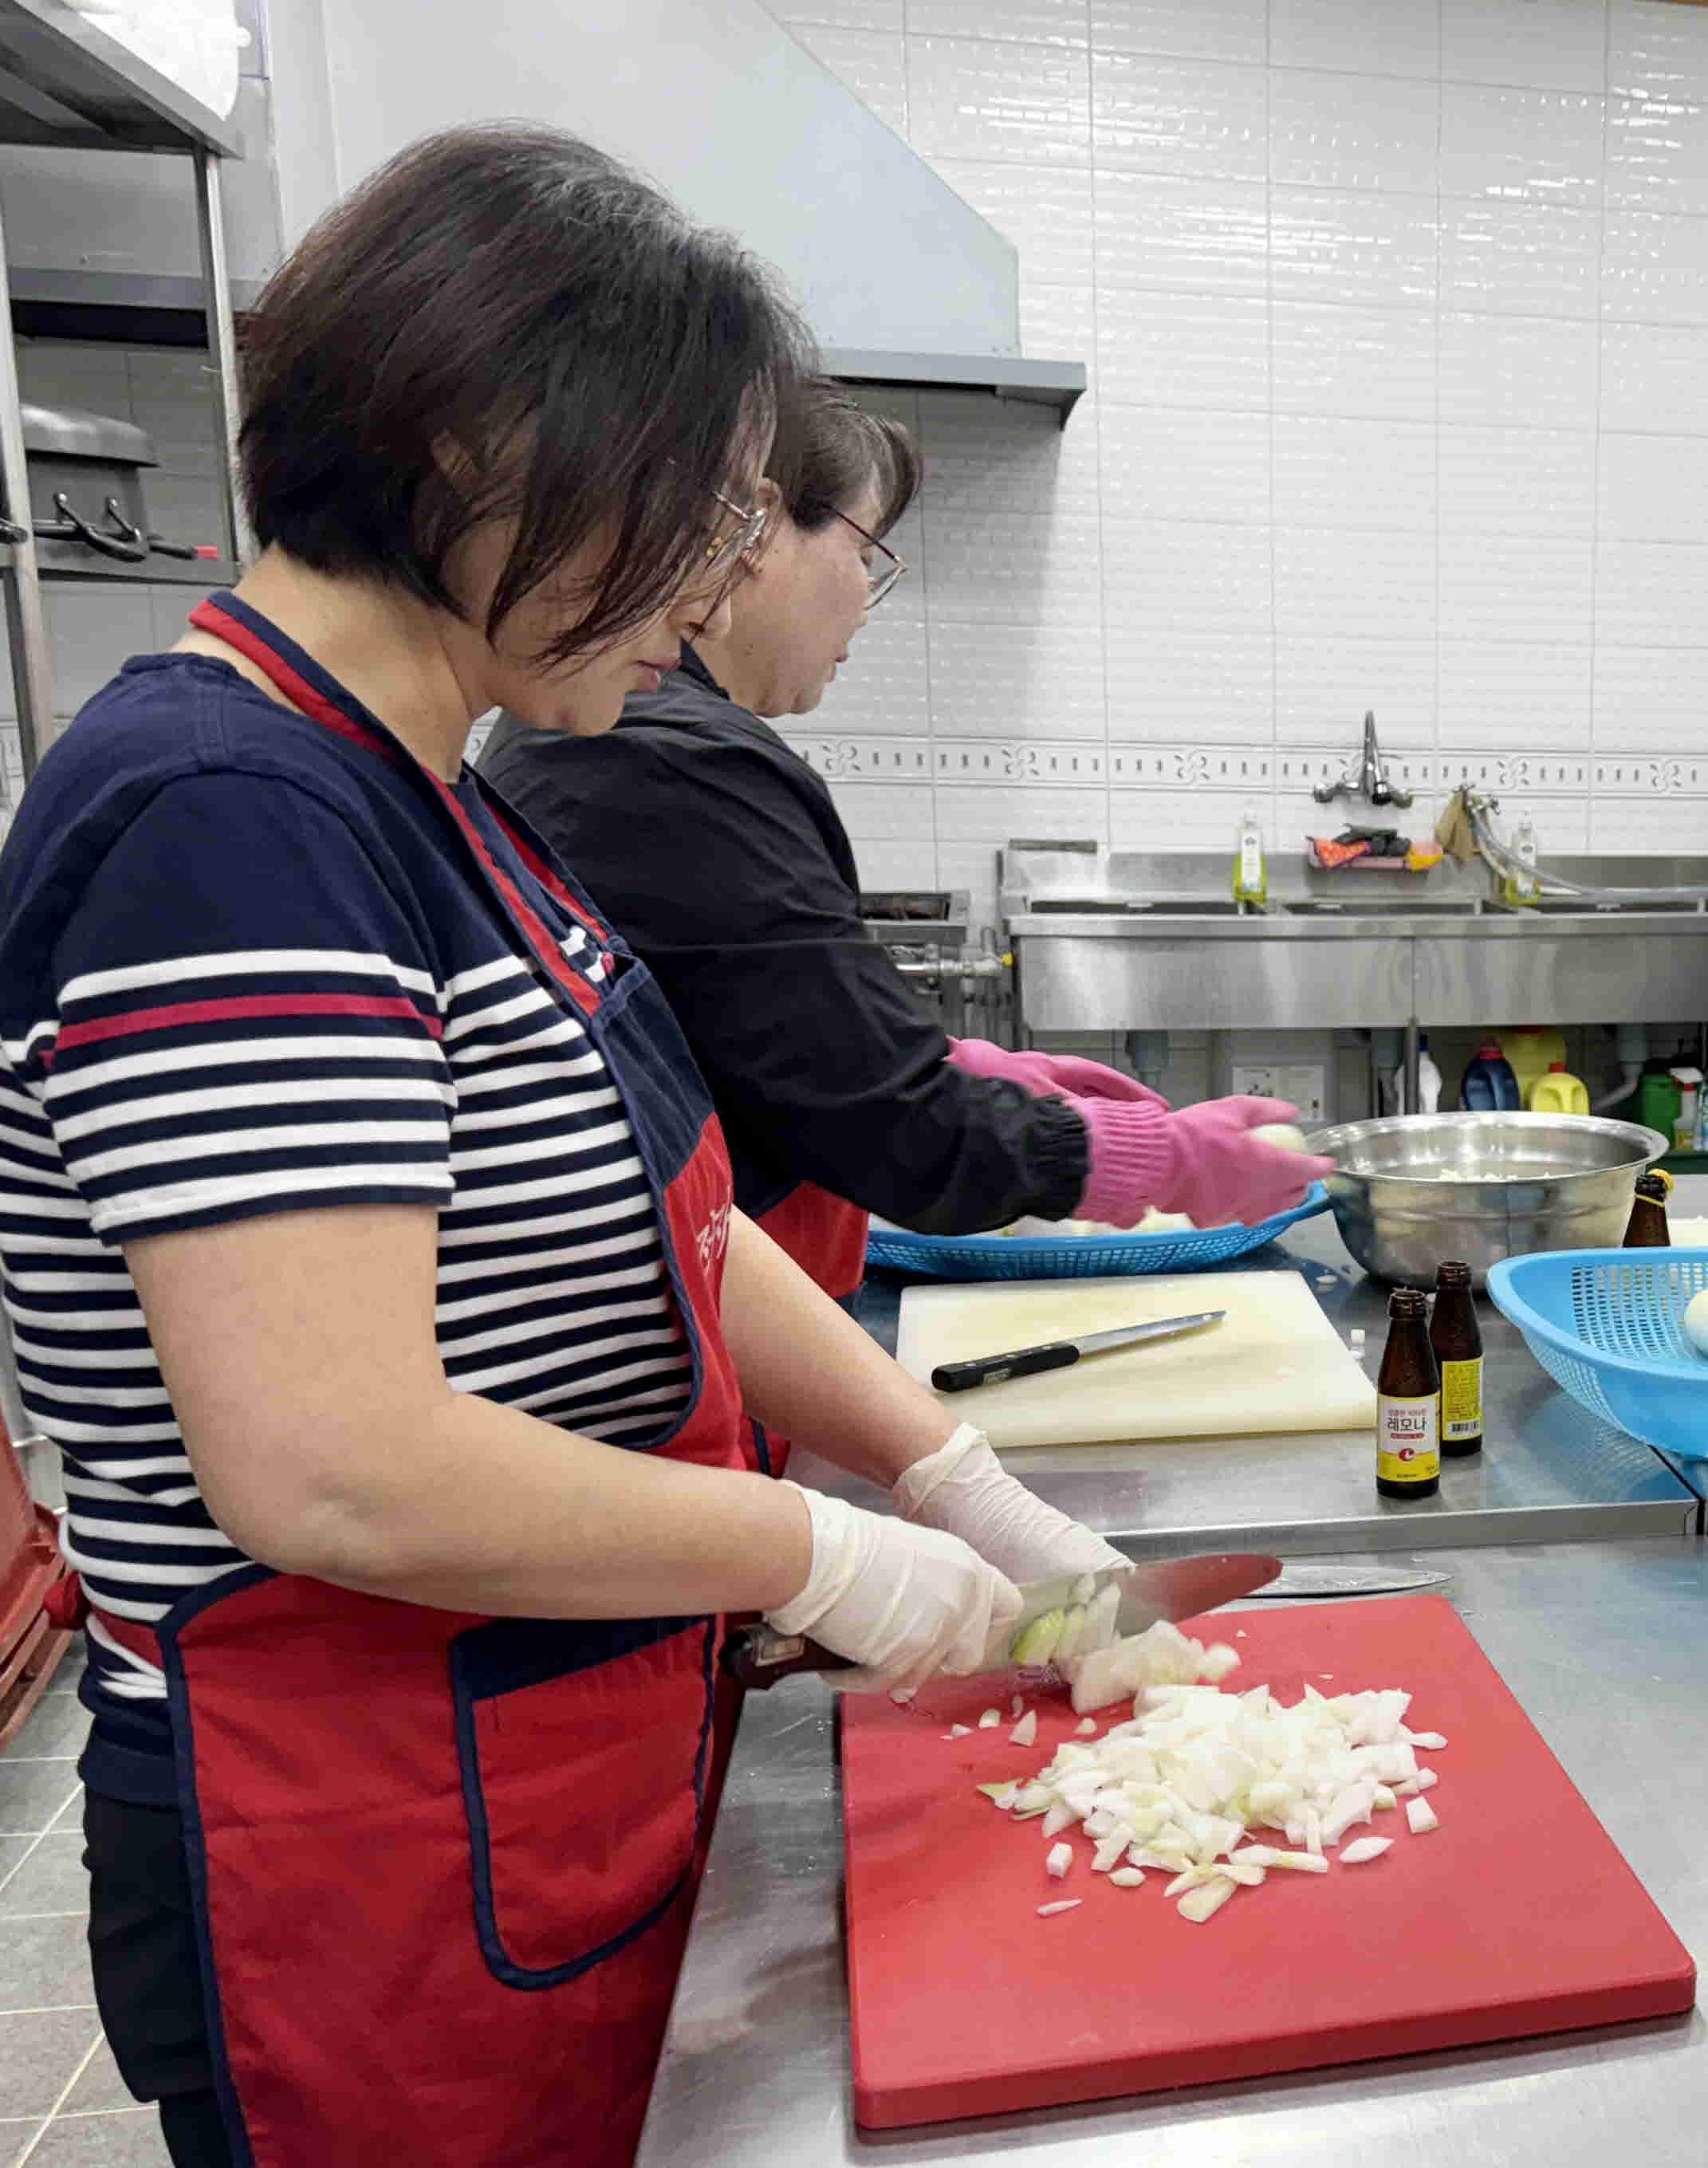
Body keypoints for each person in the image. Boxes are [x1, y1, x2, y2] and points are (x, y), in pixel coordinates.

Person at [0, 126, 1129, 2166]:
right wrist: (825, 1553)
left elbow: (681, 1227)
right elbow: (332, 1458)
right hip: (358, 1832)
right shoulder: (228, 817)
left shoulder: (436, 790)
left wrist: (955, 1482)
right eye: (686, 516)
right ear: (474, 456)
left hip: (521, 1772)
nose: (713, 586)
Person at [480, 381, 1324, 1298]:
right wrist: (1150, 1158)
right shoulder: (670, 760)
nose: (868, 601)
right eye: (865, 552)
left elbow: (760, 1046)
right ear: (757, 530)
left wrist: (964, 1069)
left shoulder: (606, 727)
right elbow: (896, 1131)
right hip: (705, 1328)